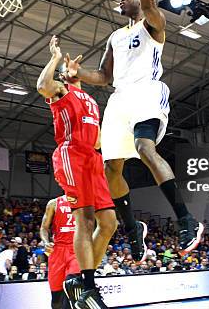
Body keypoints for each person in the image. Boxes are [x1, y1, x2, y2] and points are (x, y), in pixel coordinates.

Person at [64, 0, 203, 262]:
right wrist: (76, 73)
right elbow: (104, 75)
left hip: (147, 93)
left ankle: (185, 219)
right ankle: (132, 229)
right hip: (120, 98)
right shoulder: (115, 36)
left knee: (144, 148)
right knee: (110, 166)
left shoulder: (152, 23)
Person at [37, 35, 118, 309]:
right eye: (66, 71)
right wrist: (55, 58)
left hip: (93, 157)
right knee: (85, 220)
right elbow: (41, 86)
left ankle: (83, 283)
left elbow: (97, 141)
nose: (71, 70)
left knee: (109, 223)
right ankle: (87, 284)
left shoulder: (92, 102)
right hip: (71, 154)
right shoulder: (61, 92)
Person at [40, 195, 81, 309]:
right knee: (56, 298)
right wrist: (46, 242)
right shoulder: (54, 203)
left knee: (72, 286)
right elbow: (44, 228)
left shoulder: (85, 201)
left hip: (76, 249)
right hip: (57, 250)